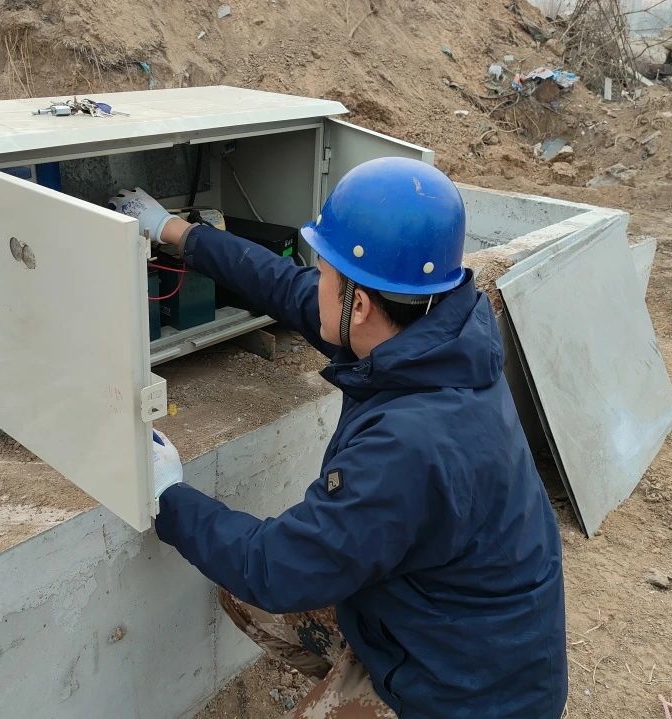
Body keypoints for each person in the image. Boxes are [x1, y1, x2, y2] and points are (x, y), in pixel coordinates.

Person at [111, 157, 567, 719]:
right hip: (454, 637)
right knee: (243, 588)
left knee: (259, 579)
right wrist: (175, 232)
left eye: (324, 270)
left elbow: (276, 568)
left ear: (361, 304)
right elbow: (285, 287)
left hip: (467, 699)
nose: (313, 280)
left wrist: (168, 495)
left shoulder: (408, 446)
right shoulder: (436, 338)